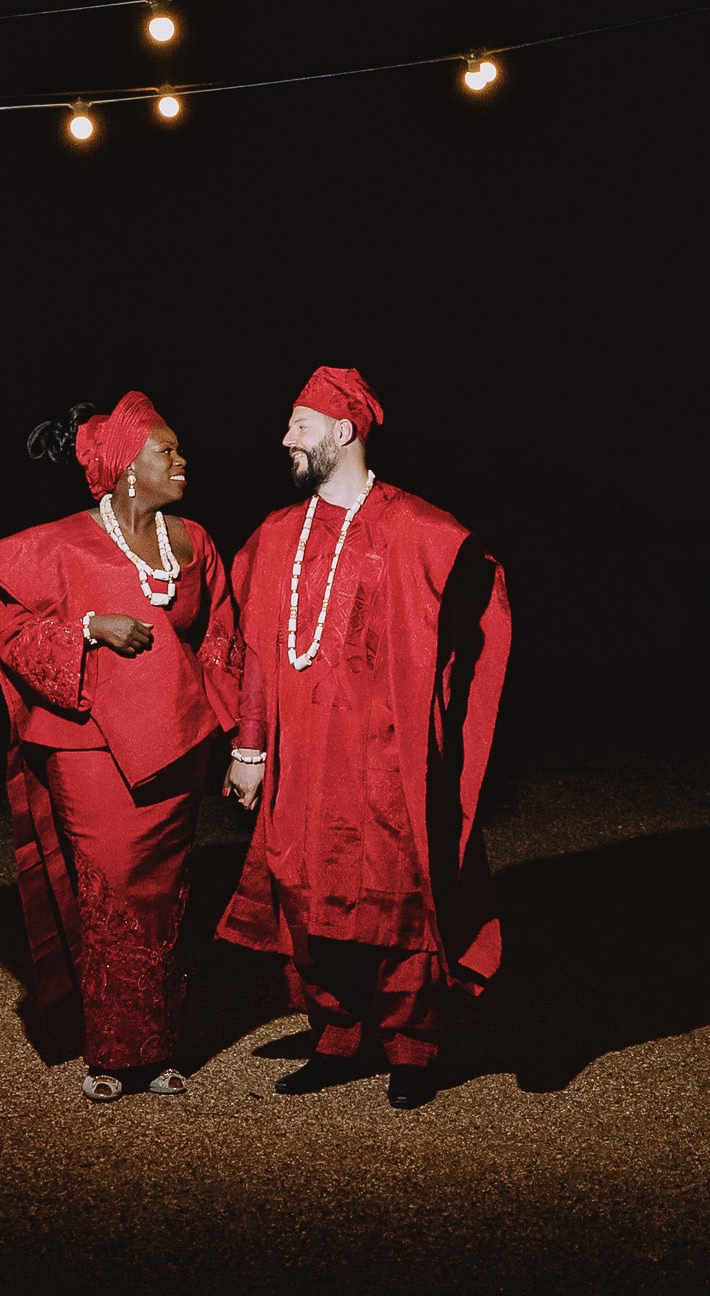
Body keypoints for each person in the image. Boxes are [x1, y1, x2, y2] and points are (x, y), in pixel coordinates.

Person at [218, 366, 511, 1109]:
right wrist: (248, 750)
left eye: (299, 425)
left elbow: (474, 619)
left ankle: (411, 1050)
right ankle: (336, 1037)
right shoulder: (276, 535)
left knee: (395, 897)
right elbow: (256, 650)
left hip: (383, 759)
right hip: (299, 760)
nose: (285, 438)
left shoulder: (418, 527)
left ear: (342, 432)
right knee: (306, 893)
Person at [0, 390, 241, 1102]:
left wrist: (227, 728)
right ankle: (108, 1053)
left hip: (175, 745)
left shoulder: (195, 540)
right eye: (166, 450)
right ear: (124, 466)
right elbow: (15, 636)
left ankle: (157, 1050)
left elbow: (220, 637)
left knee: (163, 895)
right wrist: (89, 626)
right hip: (90, 750)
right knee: (110, 894)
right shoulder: (60, 543)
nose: (182, 460)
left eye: (179, 449)